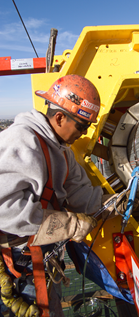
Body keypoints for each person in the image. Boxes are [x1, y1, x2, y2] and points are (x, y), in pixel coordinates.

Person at [0, 74, 111, 317]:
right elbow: (4, 208)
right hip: (21, 266)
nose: (84, 134)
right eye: (82, 126)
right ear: (60, 117)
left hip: (43, 260)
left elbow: (80, 193)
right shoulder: (22, 142)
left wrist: (109, 203)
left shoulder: (62, 152)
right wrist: (68, 224)